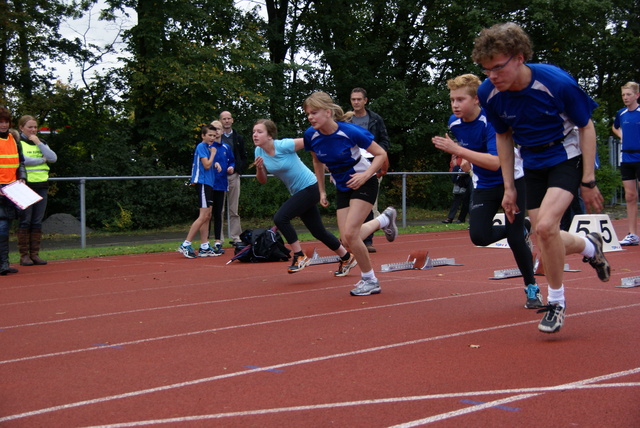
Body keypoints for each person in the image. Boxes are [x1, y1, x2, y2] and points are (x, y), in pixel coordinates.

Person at [472, 22, 610, 333]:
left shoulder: (556, 82)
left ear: (519, 58)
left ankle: (556, 302)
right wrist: (509, 187)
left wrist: (588, 180)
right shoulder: (489, 93)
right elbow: (503, 137)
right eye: (485, 69)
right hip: (531, 160)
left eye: (497, 67)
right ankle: (590, 246)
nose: (491, 76)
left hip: (566, 154)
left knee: (546, 227)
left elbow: (587, 127)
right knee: (543, 235)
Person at [432, 73, 542, 309]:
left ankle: (531, 287)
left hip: (511, 181)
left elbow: (495, 161)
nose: (455, 104)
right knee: (478, 236)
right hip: (484, 184)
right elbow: (471, 151)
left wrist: (457, 150)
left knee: (514, 239)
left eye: (460, 99)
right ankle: (522, 226)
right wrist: (463, 158)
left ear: (476, 101)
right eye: (452, 99)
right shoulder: (454, 122)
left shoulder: (490, 122)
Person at [302, 91, 398, 296]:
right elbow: (317, 161)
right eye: (308, 113)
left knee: (351, 235)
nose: (310, 117)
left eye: (314, 112)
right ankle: (384, 220)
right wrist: (321, 191)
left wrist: (365, 176)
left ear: (328, 112)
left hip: (364, 183)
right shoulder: (311, 135)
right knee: (346, 240)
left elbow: (381, 154)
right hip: (342, 186)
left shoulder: (350, 131)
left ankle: (370, 280)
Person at [253, 119, 355, 274]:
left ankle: (299, 255)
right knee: (318, 231)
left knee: (280, 218)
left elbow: (311, 141)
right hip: (298, 191)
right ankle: (346, 257)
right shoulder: (258, 152)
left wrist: (328, 162)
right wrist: (260, 169)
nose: (255, 135)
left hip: (310, 186)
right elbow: (263, 180)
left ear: (269, 135)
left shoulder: (283, 145)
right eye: (254, 132)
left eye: (259, 132)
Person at [349, 88, 391, 253]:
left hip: (370, 164)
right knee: (350, 202)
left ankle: (366, 240)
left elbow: (384, 141)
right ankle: (352, 236)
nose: (356, 102)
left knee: (368, 204)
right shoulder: (346, 119)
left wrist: (379, 160)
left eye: (359, 99)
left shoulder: (375, 119)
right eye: (353, 99)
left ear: (365, 100)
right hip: (350, 164)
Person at [16, 115, 57, 266]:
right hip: (25, 186)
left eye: (35, 127)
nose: (33, 130)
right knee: (25, 220)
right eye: (29, 127)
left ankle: (35, 254)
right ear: (21, 128)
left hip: (42, 185)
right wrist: (41, 159)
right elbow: (24, 160)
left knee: (37, 221)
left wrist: (38, 143)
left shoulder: (41, 142)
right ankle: (24, 255)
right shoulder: (18, 143)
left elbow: (53, 158)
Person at [178, 124, 220, 258]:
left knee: (208, 215)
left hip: (209, 184)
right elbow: (206, 165)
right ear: (203, 135)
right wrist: (213, 155)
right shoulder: (202, 146)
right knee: (203, 215)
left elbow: (208, 164)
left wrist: (215, 163)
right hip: (202, 183)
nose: (212, 138)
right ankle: (185, 244)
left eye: (214, 135)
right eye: (210, 135)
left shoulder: (207, 148)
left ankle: (204, 246)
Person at [612, 81, 640, 246]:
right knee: (630, 196)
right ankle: (632, 234)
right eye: (623, 95)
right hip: (627, 158)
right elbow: (615, 127)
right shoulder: (621, 114)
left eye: (628, 94)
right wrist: (621, 135)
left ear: (637, 95)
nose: (625, 97)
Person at [0, 107, 26, 275]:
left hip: (11, 188)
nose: (3, 125)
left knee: (6, 225)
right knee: (2, 225)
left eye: (6, 122)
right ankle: (3, 264)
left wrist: (22, 177)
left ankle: (4, 263)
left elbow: (20, 162)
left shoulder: (13, 141)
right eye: (0, 122)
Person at [218, 111, 247, 247]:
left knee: (233, 209)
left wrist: (236, 169)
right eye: (224, 119)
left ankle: (236, 237)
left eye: (229, 118)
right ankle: (219, 239)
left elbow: (243, 157)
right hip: (219, 178)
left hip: (233, 176)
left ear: (232, 120)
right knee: (220, 209)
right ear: (220, 121)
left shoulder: (238, 138)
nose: (227, 121)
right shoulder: (217, 138)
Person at [210, 119, 236, 255]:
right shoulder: (207, 147)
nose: (216, 132)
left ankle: (218, 241)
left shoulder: (226, 147)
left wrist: (231, 167)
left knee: (218, 213)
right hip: (209, 184)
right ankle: (205, 242)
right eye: (213, 129)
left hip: (221, 184)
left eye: (218, 129)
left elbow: (232, 160)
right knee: (207, 214)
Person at [441, 153, 471, 224]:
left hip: (468, 177)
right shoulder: (454, 156)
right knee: (457, 198)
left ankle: (463, 218)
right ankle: (451, 218)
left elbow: (467, 166)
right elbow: (453, 167)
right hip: (459, 179)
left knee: (468, 199)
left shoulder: (466, 152)